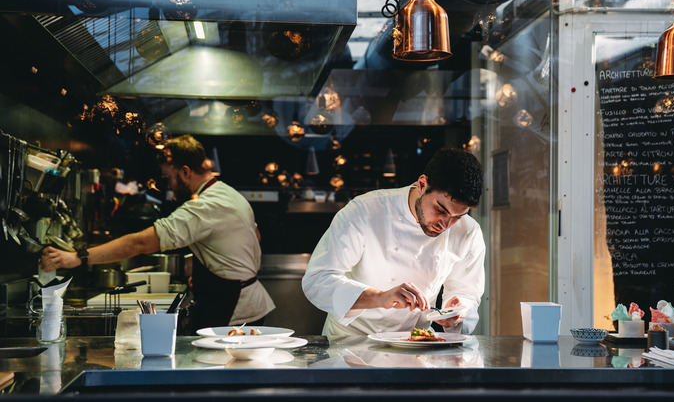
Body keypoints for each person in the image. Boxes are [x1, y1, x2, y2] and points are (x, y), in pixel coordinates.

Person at [39, 135, 275, 329]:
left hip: (233, 309)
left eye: (168, 177)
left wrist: (78, 257)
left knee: (216, 379)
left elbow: (140, 244)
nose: (169, 186)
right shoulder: (227, 193)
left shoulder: (203, 206)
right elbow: (255, 237)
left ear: (185, 171)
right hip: (246, 303)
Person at [302, 147, 485, 337]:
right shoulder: (365, 211)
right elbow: (318, 279)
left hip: (415, 343)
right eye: (440, 210)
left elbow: (467, 291)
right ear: (422, 184)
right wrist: (380, 297)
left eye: (458, 216)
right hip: (350, 342)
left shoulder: (468, 231)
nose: (446, 224)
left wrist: (457, 311)